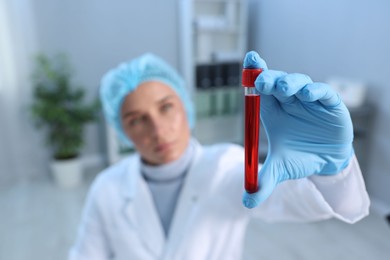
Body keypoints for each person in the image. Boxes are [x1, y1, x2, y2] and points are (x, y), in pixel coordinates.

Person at [69, 51, 370, 260]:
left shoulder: (226, 166)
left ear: (186, 105)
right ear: (122, 131)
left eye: (165, 107)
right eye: (137, 119)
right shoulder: (106, 187)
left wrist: (331, 171)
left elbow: (306, 203)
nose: (158, 130)